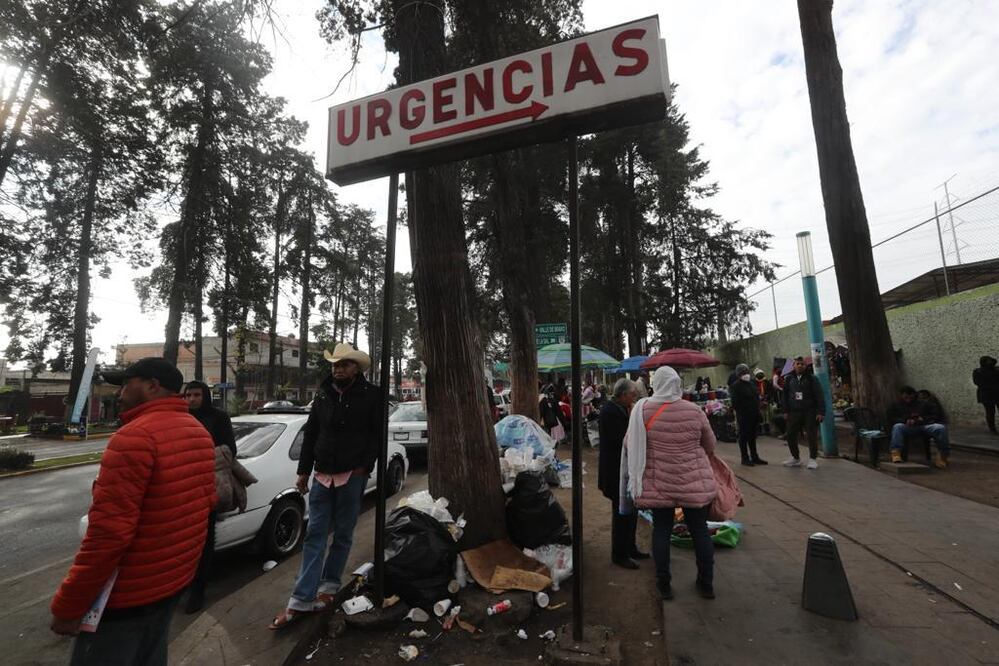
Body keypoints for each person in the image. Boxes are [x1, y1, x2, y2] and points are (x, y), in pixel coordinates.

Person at [50, 357, 215, 665]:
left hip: (127, 597)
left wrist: (69, 605)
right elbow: (204, 506)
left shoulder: (134, 437)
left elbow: (108, 536)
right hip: (171, 583)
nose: (120, 392)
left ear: (152, 386)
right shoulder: (197, 431)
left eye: (127, 384)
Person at [270, 343, 382, 629]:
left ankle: (329, 586)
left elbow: (376, 436)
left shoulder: (371, 395)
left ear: (356, 368)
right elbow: (312, 434)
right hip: (322, 475)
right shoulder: (322, 393)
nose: (338, 369)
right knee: (314, 535)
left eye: (344, 364)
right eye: (335, 364)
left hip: (352, 475)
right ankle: (301, 599)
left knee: (343, 534)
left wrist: (364, 467)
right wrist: (303, 472)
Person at [621, 366, 718, 601]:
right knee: (700, 531)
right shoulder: (694, 410)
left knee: (662, 531)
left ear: (657, 384)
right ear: (677, 384)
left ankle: (663, 583)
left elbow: (628, 444)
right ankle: (706, 583)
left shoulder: (642, 410)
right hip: (693, 482)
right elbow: (710, 445)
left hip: (659, 483)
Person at [183, 380, 239, 613]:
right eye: (188, 395)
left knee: (205, 541)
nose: (192, 399)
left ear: (205, 396)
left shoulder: (219, 417)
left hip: (208, 485)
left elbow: (230, 450)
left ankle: (198, 590)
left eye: (196, 395)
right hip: (182, 488)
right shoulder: (181, 417)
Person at [597, 378, 649, 570]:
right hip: (615, 471)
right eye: (632, 395)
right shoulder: (610, 411)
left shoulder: (622, 408)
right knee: (621, 514)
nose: (634, 398)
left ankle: (630, 547)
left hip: (625, 470)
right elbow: (623, 439)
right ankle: (619, 554)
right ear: (623, 394)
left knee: (631, 511)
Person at [888, 386, 950, 468]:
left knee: (940, 428)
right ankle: (896, 453)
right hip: (908, 427)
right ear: (902, 396)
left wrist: (922, 419)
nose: (908, 399)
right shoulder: (896, 405)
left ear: (914, 395)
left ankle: (942, 456)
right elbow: (892, 418)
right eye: (906, 397)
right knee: (897, 427)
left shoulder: (924, 404)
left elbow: (935, 416)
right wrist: (905, 420)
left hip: (924, 426)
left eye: (910, 397)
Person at [782, 356, 825, 469]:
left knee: (811, 435)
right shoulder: (789, 378)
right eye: (798, 364)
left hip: (809, 411)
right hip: (794, 412)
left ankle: (813, 459)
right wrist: (785, 410)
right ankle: (795, 457)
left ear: (805, 366)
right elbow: (785, 395)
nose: (800, 366)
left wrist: (821, 412)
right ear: (793, 365)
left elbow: (819, 395)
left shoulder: (812, 378)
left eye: (802, 364)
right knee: (790, 434)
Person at [730, 364, 767, 466]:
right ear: (738, 374)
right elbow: (735, 403)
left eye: (747, 372)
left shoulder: (751, 383)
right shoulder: (735, 386)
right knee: (743, 437)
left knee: (753, 436)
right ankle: (745, 458)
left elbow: (756, 397)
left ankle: (754, 456)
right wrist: (743, 411)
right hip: (743, 415)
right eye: (743, 373)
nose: (746, 374)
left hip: (754, 414)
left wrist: (759, 407)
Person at [973, 356, 999, 434]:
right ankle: (992, 429)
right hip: (986, 395)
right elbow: (977, 382)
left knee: (990, 412)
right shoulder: (978, 371)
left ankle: (992, 429)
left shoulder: (996, 370)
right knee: (990, 412)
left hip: (995, 393)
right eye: (988, 361)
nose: (990, 363)